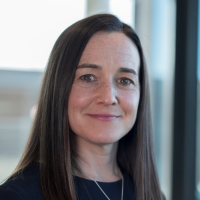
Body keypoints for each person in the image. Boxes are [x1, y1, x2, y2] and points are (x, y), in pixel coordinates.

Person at [0, 14, 165, 200]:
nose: (108, 97)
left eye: (125, 80)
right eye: (88, 77)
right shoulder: (15, 196)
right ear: (58, 88)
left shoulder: (153, 194)